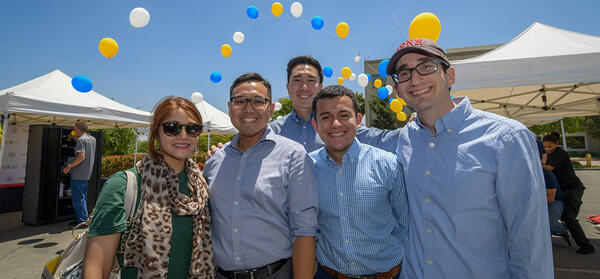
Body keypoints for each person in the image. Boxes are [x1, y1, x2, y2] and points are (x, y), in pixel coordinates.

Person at [386, 38, 553, 278]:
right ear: (398, 89)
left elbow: (530, 240)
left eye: (426, 66)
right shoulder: (405, 140)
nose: (415, 78)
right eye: (404, 73)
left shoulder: (506, 138)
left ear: (450, 76)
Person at [203, 73, 318, 279]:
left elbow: (304, 230)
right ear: (229, 108)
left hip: (276, 273)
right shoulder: (214, 161)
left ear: (271, 109)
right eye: (240, 101)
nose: (248, 108)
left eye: (258, 101)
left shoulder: (292, 155)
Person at [83, 97, 214, 278]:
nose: (183, 135)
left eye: (193, 129)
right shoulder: (124, 184)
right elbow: (96, 269)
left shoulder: (202, 187)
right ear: (156, 132)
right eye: (172, 127)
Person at [309, 85, 407, 279]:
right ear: (315, 125)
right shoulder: (306, 168)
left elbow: (406, 225)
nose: (336, 124)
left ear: (359, 120)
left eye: (344, 115)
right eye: (326, 117)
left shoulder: (387, 164)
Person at [269, 55, 400, 153]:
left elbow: (380, 139)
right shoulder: (273, 132)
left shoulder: (340, 125)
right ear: (287, 86)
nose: (304, 87)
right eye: (297, 80)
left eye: (311, 80)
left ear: (320, 87)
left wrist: (414, 127)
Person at [543, 133, 595, 254]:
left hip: (573, 189)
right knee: (565, 217)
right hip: (564, 190)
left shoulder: (561, 154)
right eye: (545, 147)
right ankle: (564, 231)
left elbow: (549, 168)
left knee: (569, 217)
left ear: (556, 144)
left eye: (549, 146)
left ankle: (586, 246)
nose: (547, 149)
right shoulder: (550, 154)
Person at [63, 121, 96, 226]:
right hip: (87, 173)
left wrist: (69, 166)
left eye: (75, 129)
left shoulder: (81, 140)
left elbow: (81, 156)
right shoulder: (92, 139)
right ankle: (81, 218)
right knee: (83, 197)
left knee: (78, 198)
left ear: (79, 129)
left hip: (78, 173)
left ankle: (82, 221)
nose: (74, 131)